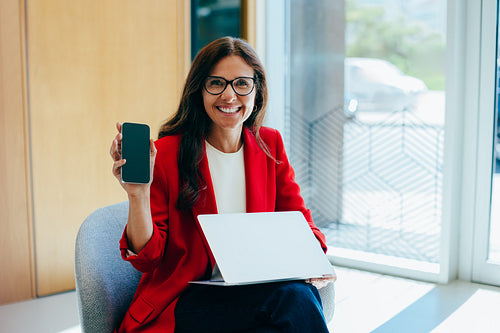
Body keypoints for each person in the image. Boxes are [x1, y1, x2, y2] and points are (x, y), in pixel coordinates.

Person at [110, 36, 334, 333]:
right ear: (199, 91)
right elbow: (147, 259)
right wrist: (138, 195)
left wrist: (307, 256)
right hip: (185, 301)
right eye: (216, 83)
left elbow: (304, 228)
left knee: (290, 301)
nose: (229, 96)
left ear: (257, 92)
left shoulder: (270, 145)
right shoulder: (166, 153)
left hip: (255, 293)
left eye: (242, 84)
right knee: (293, 300)